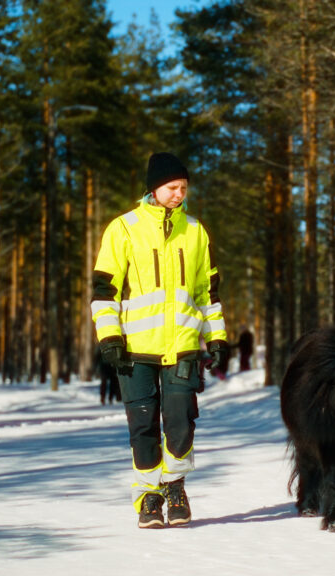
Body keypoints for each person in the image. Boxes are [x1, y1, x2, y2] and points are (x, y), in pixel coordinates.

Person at [91, 152, 228, 529]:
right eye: (172, 187)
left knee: (181, 422)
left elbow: (207, 291)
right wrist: (110, 336)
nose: (179, 194)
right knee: (143, 425)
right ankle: (148, 498)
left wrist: (216, 336)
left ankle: (175, 486)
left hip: (182, 343)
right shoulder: (123, 228)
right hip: (135, 347)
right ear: (154, 187)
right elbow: (105, 289)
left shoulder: (196, 231)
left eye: (184, 188)